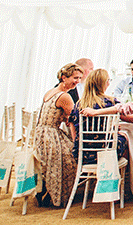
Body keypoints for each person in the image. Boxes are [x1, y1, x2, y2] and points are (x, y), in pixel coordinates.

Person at [31, 63, 82, 208]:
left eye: (79, 78)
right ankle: (58, 194)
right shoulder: (65, 96)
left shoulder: (51, 91)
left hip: (41, 133)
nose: (77, 81)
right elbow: (75, 118)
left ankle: (49, 191)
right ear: (63, 78)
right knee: (73, 155)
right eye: (74, 78)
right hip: (50, 135)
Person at [68, 69, 133, 165]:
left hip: (82, 153)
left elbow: (71, 123)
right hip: (105, 152)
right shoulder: (110, 102)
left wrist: (78, 144)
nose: (109, 83)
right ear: (103, 83)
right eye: (108, 80)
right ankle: (119, 175)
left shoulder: (79, 104)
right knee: (124, 137)